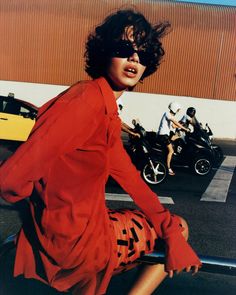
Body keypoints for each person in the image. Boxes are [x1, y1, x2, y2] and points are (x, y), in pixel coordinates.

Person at [0, 9, 201, 295]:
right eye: (124, 49)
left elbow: (131, 179)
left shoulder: (103, 110)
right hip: (78, 247)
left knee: (170, 227)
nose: (134, 59)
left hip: (73, 242)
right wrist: (174, 233)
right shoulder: (85, 102)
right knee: (181, 226)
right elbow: (10, 180)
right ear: (104, 51)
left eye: (143, 54)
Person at [157, 102, 190, 176]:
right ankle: (168, 168)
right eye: (177, 110)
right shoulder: (167, 114)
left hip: (166, 135)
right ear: (174, 109)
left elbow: (174, 125)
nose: (178, 111)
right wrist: (184, 128)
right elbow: (174, 122)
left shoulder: (169, 115)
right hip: (163, 136)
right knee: (171, 151)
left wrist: (182, 126)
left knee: (178, 138)